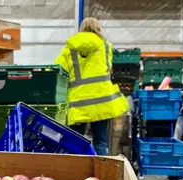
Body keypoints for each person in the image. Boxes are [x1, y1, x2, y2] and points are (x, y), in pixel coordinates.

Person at [54, 17, 129, 155]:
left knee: (75, 142)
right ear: (98, 29)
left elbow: (58, 70)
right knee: (101, 141)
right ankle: (100, 174)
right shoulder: (106, 47)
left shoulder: (69, 49)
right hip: (101, 103)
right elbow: (109, 68)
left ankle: (76, 172)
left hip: (78, 104)